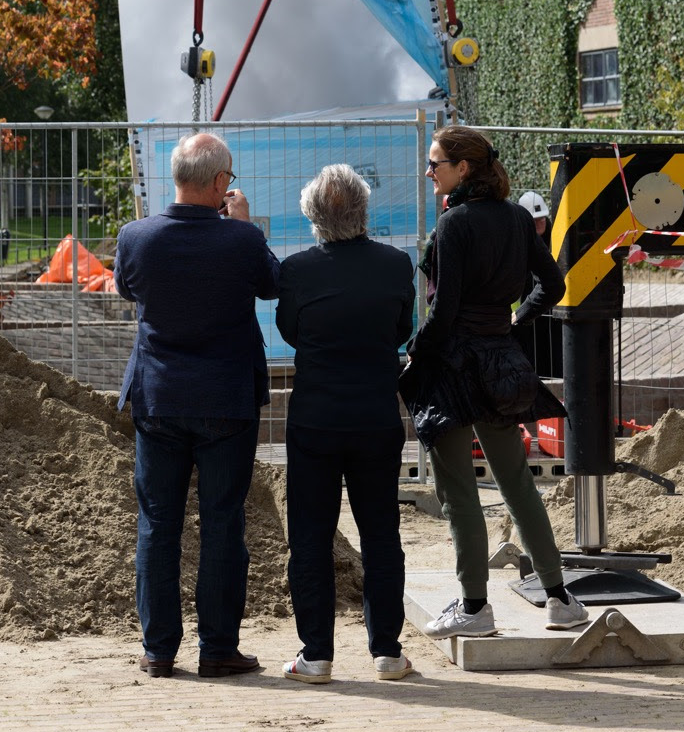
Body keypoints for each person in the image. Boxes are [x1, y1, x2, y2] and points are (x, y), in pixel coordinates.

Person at [402, 126, 588, 638]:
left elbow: (445, 311)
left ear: (462, 169)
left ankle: (475, 607)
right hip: (501, 366)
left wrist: (416, 354)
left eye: (435, 162)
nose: (428, 170)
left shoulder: (453, 225)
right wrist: (513, 322)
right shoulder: (514, 219)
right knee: (517, 483)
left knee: (458, 491)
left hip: (454, 369)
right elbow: (553, 285)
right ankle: (558, 598)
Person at [114, 132, 279, 679]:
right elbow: (272, 283)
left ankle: (158, 649)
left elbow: (126, 289)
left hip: (159, 398)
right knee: (222, 523)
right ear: (216, 183)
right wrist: (244, 224)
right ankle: (218, 648)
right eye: (229, 179)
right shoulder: (240, 240)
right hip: (226, 401)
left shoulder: (136, 237)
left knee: (158, 522)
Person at [276, 165, 416, 684]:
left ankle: (315, 654)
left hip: (315, 419)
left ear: (312, 215)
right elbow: (402, 328)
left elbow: (290, 331)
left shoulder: (297, 270)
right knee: (381, 531)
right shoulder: (395, 264)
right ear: (364, 210)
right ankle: (387, 651)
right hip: (377, 416)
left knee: (309, 537)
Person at [512, 190, 564, 379]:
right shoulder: (518, 239)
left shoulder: (556, 238)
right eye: (534, 220)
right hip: (527, 313)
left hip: (553, 311)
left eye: (541, 218)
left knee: (555, 355)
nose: (539, 223)